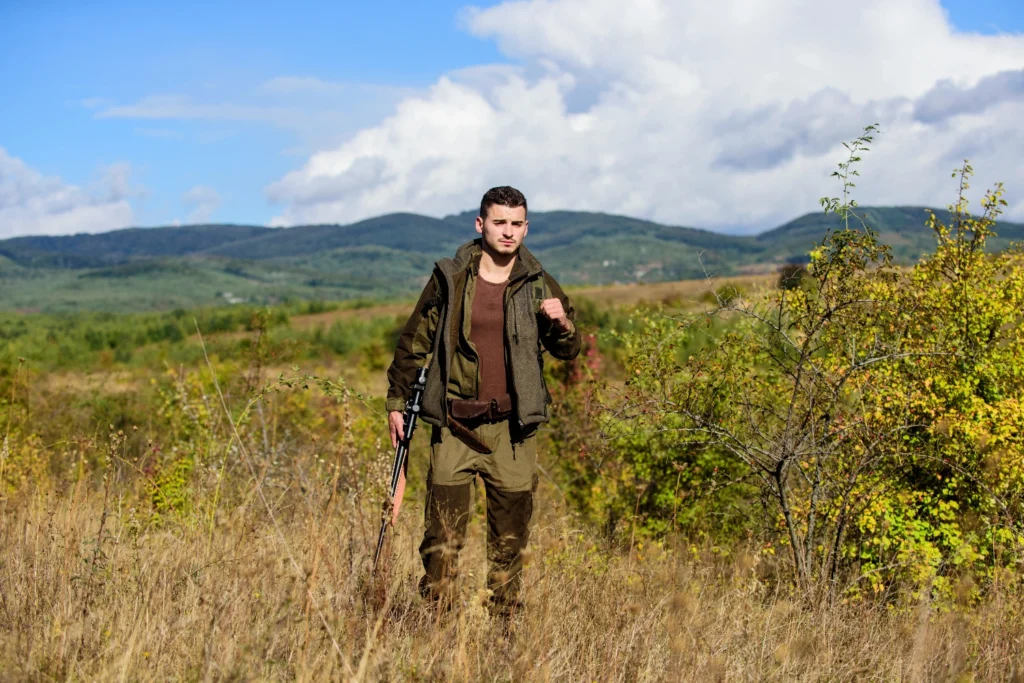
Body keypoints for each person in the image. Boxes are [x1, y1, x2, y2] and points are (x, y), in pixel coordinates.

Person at [385, 185, 581, 617]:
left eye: (516, 224)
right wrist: (396, 401)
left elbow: (568, 349)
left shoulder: (538, 282)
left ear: (526, 227)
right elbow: (413, 341)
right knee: (442, 542)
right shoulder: (451, 278)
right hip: (454, 426)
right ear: (481, 224)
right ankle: (437, 633)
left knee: (510, 545)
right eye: (499, 223)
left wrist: (562, 322)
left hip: (513, 431)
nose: (508, 232)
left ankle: (504, 636)